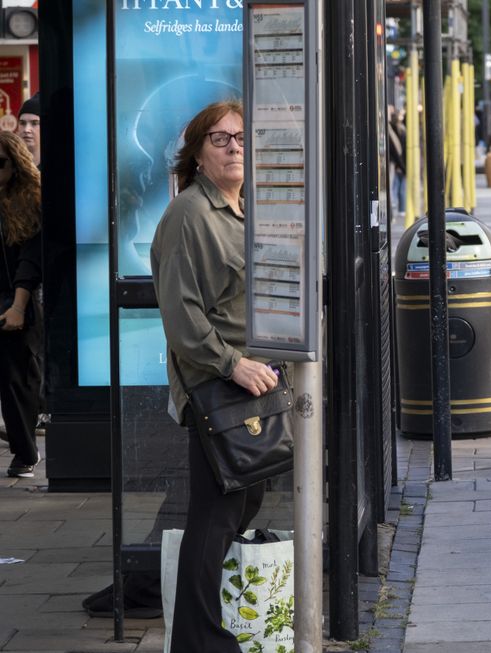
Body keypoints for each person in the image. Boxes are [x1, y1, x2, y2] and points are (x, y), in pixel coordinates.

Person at [150, 100, 280, 652]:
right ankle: (199, 639)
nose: (234, 147)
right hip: (218, 383)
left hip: (251, 381)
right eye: (220, 139)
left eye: (241, 137)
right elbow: (182, 315)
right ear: (198, 155)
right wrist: (232, 363)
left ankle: (198, 633)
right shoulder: (190, 215)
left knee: (240, 504)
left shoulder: (240, 207)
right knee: (216, 513)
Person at [0, 131, 43, 478]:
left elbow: (29, 262)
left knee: (16, 380)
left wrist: (17, 306)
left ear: (15, 165)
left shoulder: (27, 202)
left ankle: (26, 452)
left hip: (14, 298)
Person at [17, 94, 41, 168]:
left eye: (35, 123)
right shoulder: (8, 164)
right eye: (22, 123)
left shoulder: (57, 165)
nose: (26, 130)